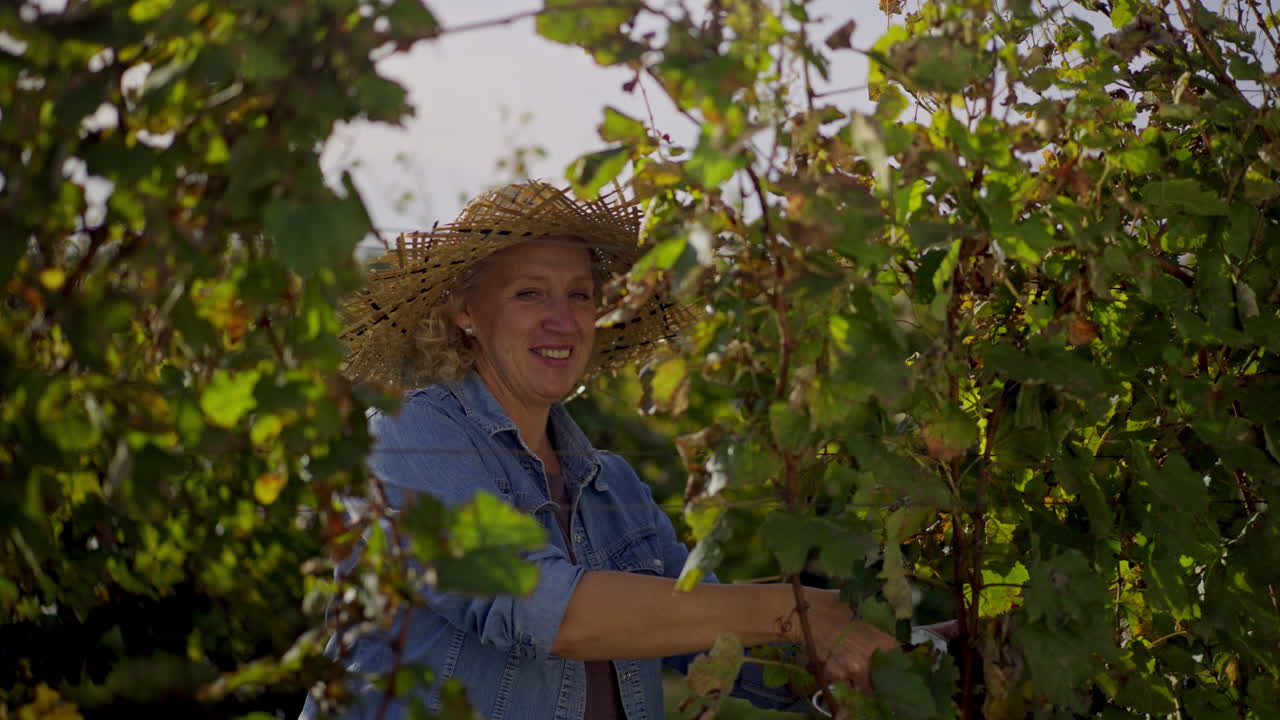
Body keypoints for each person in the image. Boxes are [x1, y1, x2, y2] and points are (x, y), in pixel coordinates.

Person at [303, 181, 904, 720]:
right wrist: (799, 611)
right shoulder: (407, 436)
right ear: (465, 311)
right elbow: (536, 607)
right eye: (530, 294)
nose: (563, 321)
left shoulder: (611, 485)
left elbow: (715, 642)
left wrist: (908, 660)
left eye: (581, 296)